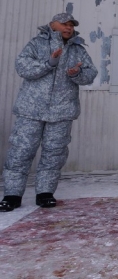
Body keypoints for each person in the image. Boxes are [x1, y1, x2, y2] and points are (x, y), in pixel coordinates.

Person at [0, 13, 98, 212]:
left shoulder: (78, 49)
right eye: (64, 24)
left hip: (62, 111)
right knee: (21, 151)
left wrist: (77, 73)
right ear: (52, 24)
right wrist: (48, 64)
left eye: (71, 25)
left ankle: (45, 193)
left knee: (54, 153)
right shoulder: (37, 44)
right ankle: (12, 195)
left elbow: (90, 74)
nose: (68, 28)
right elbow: (22, 66)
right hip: (31, 109)